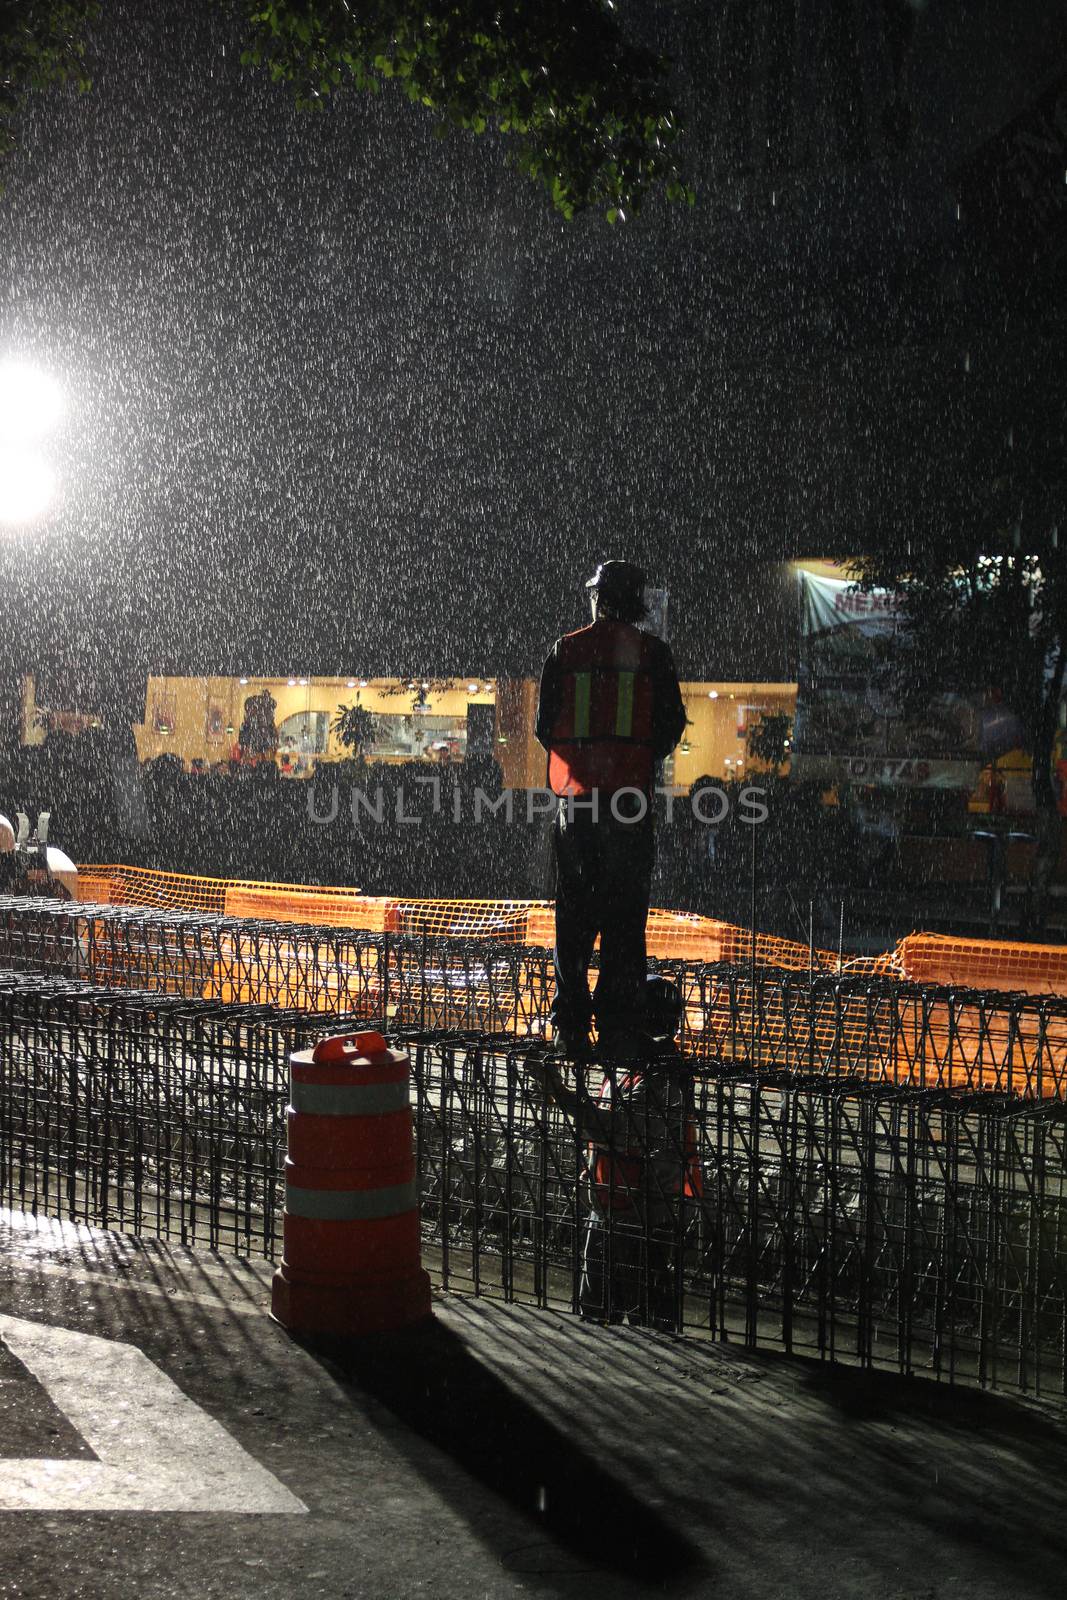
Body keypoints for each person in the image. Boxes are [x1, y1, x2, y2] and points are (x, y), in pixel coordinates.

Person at [535, 559, 686, 1058]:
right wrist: (631, 761)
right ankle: (618, 1028)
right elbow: (670, 728)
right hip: (628, 808)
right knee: (624, 923)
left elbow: (543, 727)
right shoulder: (654, 655)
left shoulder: (566, 650)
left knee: (573, 922)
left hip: (575, 808)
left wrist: (587, 763)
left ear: (598, 598)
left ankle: (570, 1028)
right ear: (638, 602)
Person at [525, 975, 701, 1330]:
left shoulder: (662, 1080)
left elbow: (612, 1129)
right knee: (594, 1319)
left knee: (649, 1328)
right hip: (609, 1214)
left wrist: (558, 1091)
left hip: (642, 1225)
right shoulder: (631, 1068)